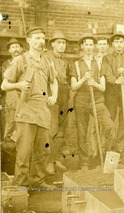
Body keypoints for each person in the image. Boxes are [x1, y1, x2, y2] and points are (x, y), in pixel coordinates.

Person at [1, 27, 58, 187]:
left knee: (43, 150)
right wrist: (19, 84)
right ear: (28, 40)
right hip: (25, 112)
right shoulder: (20, 60)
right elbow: (4, 85)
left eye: (42, 38)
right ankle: (21, 186)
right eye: (37, 38)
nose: (40, 41)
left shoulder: (47, 61)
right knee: (24, 152)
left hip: (42, 112)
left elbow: (54, 81)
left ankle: (37, 181)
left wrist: (54, 95)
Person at [69, 34, 116, 170]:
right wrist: (84, 78)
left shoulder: (99, 64)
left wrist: (94, 83)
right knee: (82, 132)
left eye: (91, 44)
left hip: (97, 99)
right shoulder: (76, 65)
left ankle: (107, 160)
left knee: (110, 127)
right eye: (86, 44)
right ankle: (84, 163)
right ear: (82, 47)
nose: (89, 47)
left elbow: (103, 87)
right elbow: (73, 87)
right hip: (82, 100)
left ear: (94, 47)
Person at [101, 32, 124, 152]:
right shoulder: (107, 57)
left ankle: (120, 149)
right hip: (112, 90)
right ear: (112, 43)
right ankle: (108, 149)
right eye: (116, 42)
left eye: (121, 42)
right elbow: (106, 73)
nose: (119, 44)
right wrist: (116, 81)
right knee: (110, 119)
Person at [45, 31, 70, 175]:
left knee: (62, 126)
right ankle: (49, 162)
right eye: (59, 42)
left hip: (64, 92)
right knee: (52, 128)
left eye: (64, 43)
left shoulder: (64, 60)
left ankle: (56, 159)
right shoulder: (47, 57)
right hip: (52, 92)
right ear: (53, 44)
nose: (61, 45)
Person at [1, 38, 23, 150]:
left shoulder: (25, 62)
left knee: (22, 123)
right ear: (9, 51)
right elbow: (8, 80)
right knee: (10, 122)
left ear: (21, 49)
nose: (15, 49)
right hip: (11, 96)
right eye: (13, 47)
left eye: (17, 47)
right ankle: (8, 148)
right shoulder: (6, 64)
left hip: (24, 97)